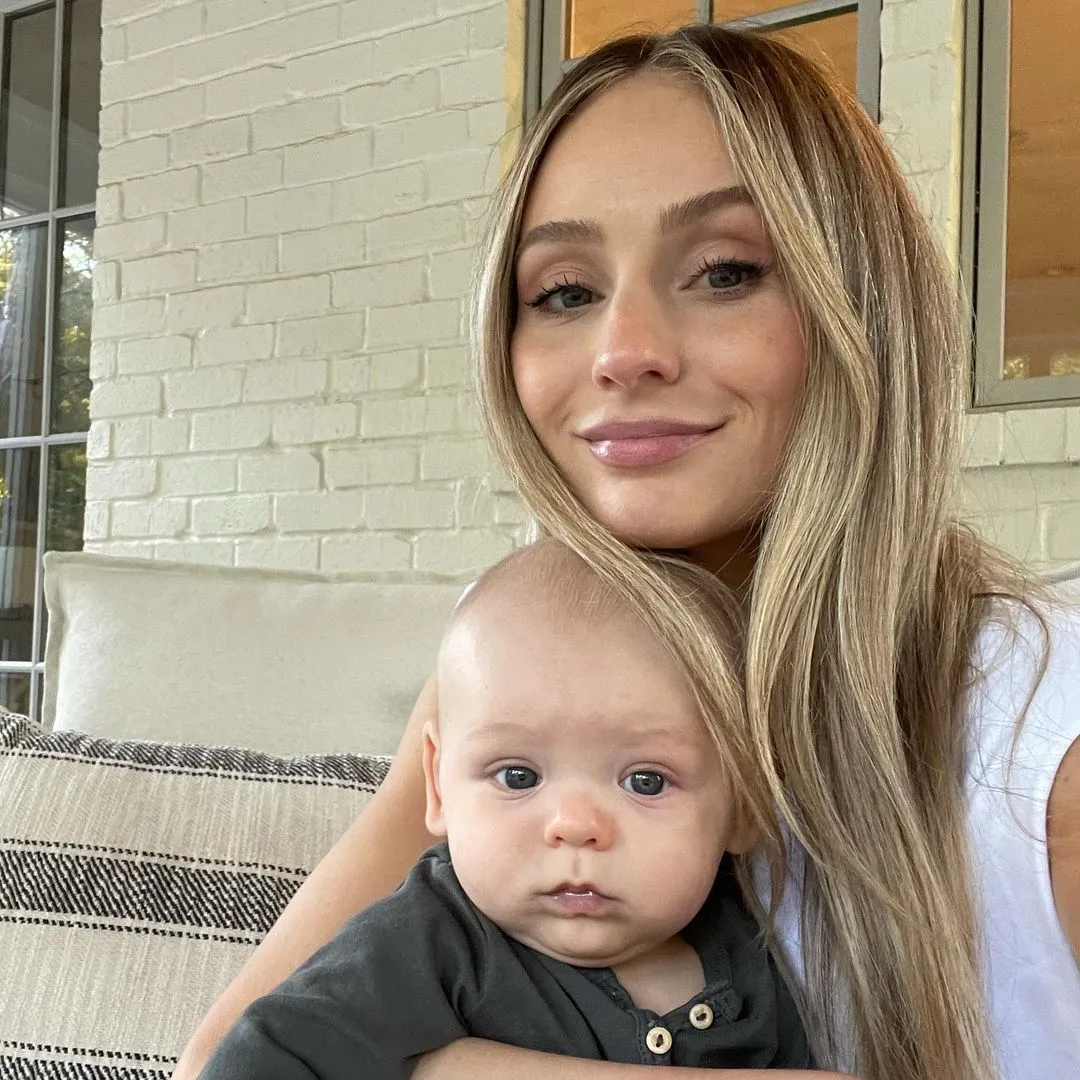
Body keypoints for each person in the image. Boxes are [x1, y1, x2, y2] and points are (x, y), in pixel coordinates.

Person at [175, 23, 1080, 1080]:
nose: (624, 351)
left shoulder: (1039, 740)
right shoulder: (525, 657)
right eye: (565, 291)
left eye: (725, 271)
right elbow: (227, 1060)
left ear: (864, 308)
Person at [197, 540, 819, 1077]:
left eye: (647, 782)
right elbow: (259, 1057)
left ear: (746, 806)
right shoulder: (430, 941)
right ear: (437, 786)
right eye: (518, 776)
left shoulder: (757, 955)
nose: (575, 825)